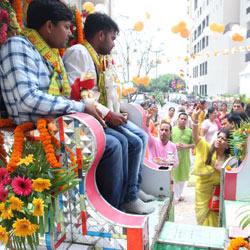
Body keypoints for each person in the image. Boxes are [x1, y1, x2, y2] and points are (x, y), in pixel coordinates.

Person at [0, 0, 126, 212]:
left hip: (55, 124)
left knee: (118, 139)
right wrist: (80, 107)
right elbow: (27, 98)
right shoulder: (18, 46)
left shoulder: (48, 54)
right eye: (66, 27)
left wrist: (82, 105)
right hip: (32, 129)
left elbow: (64, 96)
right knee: (111, 145)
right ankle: (107, 209)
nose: (69, 34)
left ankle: (116, 204)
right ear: (49, 26)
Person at [63, 13, 154, 214]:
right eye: (112, 38)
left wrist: (115, 108)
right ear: (101, 34)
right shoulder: (79, 53)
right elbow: (77, 93)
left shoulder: (97, 57)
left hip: (99, 114)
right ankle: (118, 204)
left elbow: (101, 92)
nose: (113, 44)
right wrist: (107, 114)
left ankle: (131, 191)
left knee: (139, 136)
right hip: (85, 118)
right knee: (126, 143)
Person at [191, 107, 231, 227]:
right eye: (218, 137)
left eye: (223, 139)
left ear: (227, 145)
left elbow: (232, 178)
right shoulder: (208, 148)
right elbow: (196, 138)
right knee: (204, 221)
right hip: (203, 192)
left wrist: (221, 169)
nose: (219, 139)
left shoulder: (229, 159)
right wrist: (196, 119)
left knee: (216, 221)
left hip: (218, 195)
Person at [171, 113, 194, 203]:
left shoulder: (190, 131)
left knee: (183, 178)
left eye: (185, 119)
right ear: (177, 120)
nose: (183, 120)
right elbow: (166, 142)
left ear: (187, 121)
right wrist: (174, 145)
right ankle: (175, 196)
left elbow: (194, 144)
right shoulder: (172, 130)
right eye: (181, 118)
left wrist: (186, 146)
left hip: (185, 158)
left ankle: (179, 194)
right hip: (173, 157)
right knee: (174, 177)